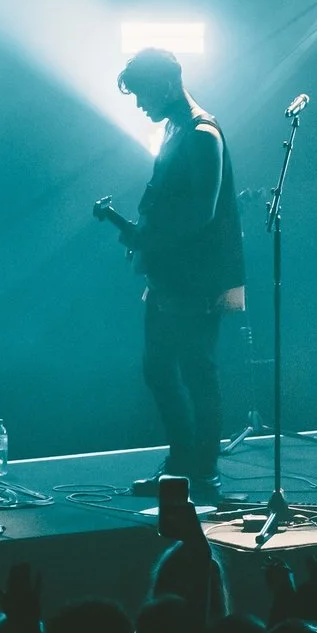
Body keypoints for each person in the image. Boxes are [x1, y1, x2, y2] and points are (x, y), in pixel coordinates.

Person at [94, 48, 246, 502]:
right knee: (159, 370)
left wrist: (150, 240)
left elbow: (202, 213)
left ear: (165, 84)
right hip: (169, 277)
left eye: (143, 93)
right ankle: (182, 467)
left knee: (198, 373)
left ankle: (204, 473)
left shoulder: (202, 134)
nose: (140, 104)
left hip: (194, 281)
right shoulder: (175, 130)